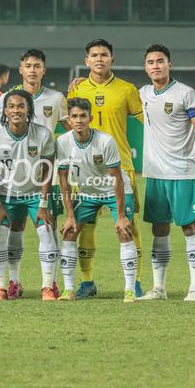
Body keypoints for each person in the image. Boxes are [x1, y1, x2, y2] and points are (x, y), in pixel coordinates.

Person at [67, 39, 145, 299]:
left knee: (128, 224)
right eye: (93, 55)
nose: (99, 59)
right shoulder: (76, 91)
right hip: (85, 170)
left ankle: (135, 282)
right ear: (86, 61)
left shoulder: (127, 89)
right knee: (84, 226)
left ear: (112, 58)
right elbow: (70, 126)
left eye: (104, 55)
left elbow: (149, 121)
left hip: (121, 166)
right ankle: (87, 281)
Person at [0, 49, 68, 299]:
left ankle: (51, 283)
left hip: (45, 177)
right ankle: (12, 282)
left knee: (48, 226)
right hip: (11, 179)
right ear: (21, 69)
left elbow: (70, 131)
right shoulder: (6, 98)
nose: (33, 70)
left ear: (44, 70)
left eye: (37, 66)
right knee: (13, 228)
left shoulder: (57, 98)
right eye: (28, 65)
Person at [138, 44, 195, 302]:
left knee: (189, 227)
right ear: (145, 67)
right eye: (150, 62)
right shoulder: (143, 93)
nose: (155, 66)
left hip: (182, 171)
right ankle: (159, 288)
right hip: (155, 173)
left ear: (170, 64)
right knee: (159, 229)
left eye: (160, 61)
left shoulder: (186, 93)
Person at [57, 98, 136, 302]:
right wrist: (69, 216)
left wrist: (120, 216)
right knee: (69, 231)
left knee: (124, 230)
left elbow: (117, 178)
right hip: (87, 193)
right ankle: (68, 289)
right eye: (74, 116)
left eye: (83, 116)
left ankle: (129, 290)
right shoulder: (63, 142)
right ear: (69, 119)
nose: (79, 120)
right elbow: (63, 180)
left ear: (91, 118)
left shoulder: (105, 141)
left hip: (115, 190)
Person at [0, 89, 56, 301]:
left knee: (47, 230)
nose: (16, 110)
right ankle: (3, 287)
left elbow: (47, 170)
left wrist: (43, 203)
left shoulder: (42, 134)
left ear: (29, 110)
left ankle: (47, 287)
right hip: (6, 195)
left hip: (34, 194)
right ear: (5, 110)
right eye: (11, 106)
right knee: (0, 233)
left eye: (21, 106)